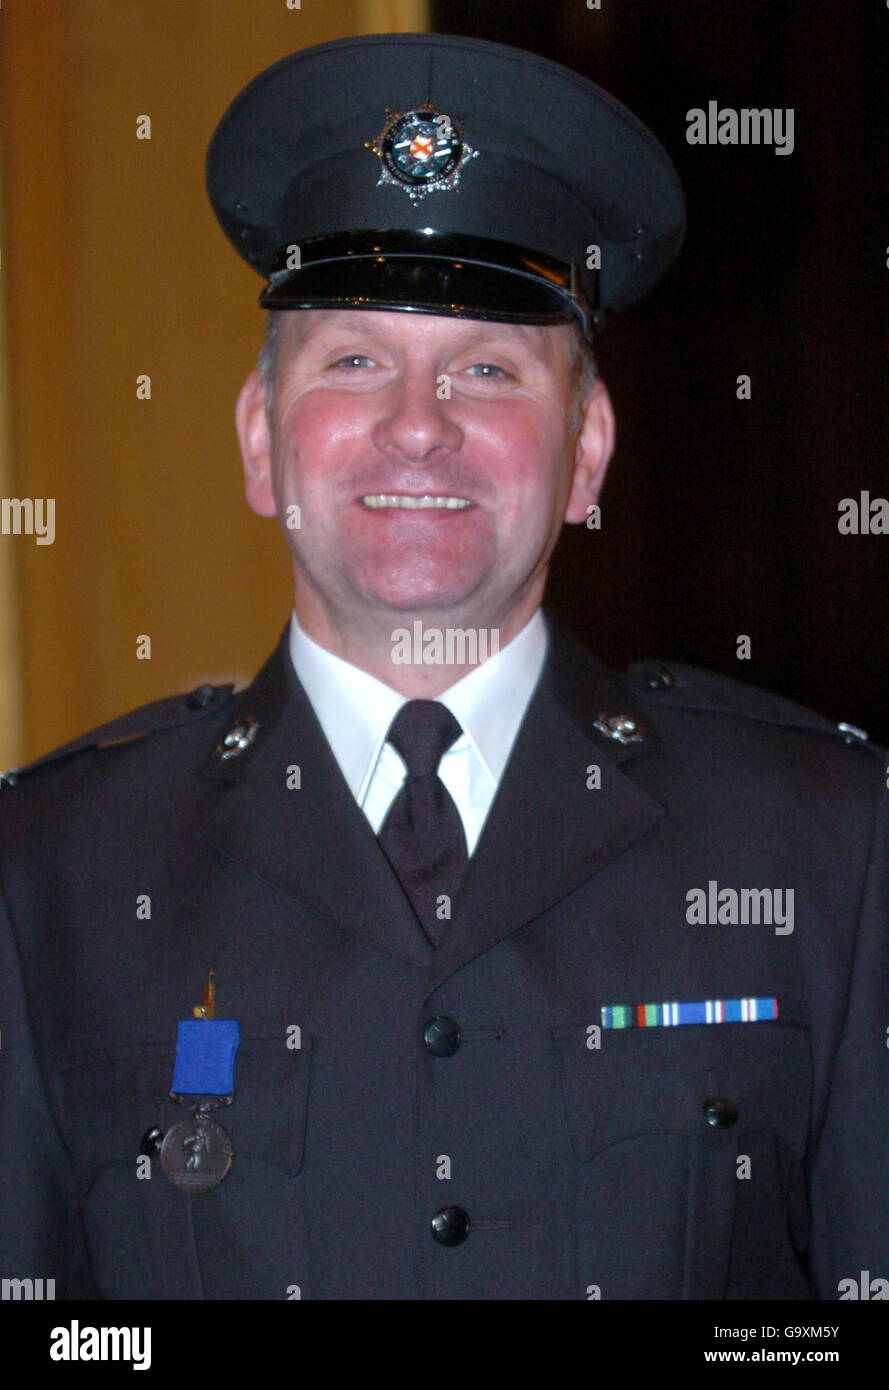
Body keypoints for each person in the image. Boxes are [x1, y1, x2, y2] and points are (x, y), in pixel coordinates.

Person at [1, 32, 886, 1302]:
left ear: (585, 452)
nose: (420, 423)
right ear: (262, 441)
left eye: (486, 367)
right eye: (355, 359)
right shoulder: (47, 876)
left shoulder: (823, 847)